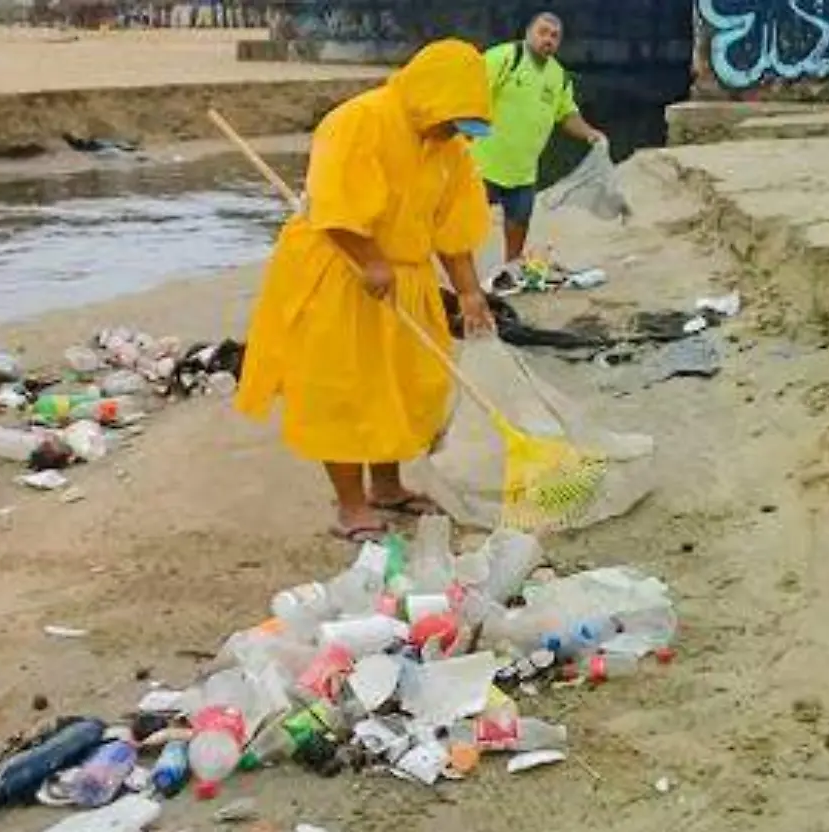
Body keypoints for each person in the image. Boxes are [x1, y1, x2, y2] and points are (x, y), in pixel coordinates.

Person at [235, 40, 499, 544]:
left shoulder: (451, 149)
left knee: (402, 384)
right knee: (345, 391)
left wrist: (468, 293)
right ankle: (351, 507)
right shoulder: (359, 120)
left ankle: (387, 486)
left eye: (463, 125)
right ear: (430, 97)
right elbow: (334, 201)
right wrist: (371, 260)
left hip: (406, 275)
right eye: (450, 121)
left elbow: (454, 228)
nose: (453, 133)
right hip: (342, 270)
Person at [472, 12, 607, 278]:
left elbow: (567, 114)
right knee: (463, 223)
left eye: (554, 36)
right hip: (482, 163)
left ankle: (511, 270)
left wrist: (590, 133)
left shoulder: (559, 76)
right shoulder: (504, 58)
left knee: (519, 220)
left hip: (523, 169)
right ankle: (462, 276)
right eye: (543, 32)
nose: (548, 40)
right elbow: (471, 92)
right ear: (528, 32)